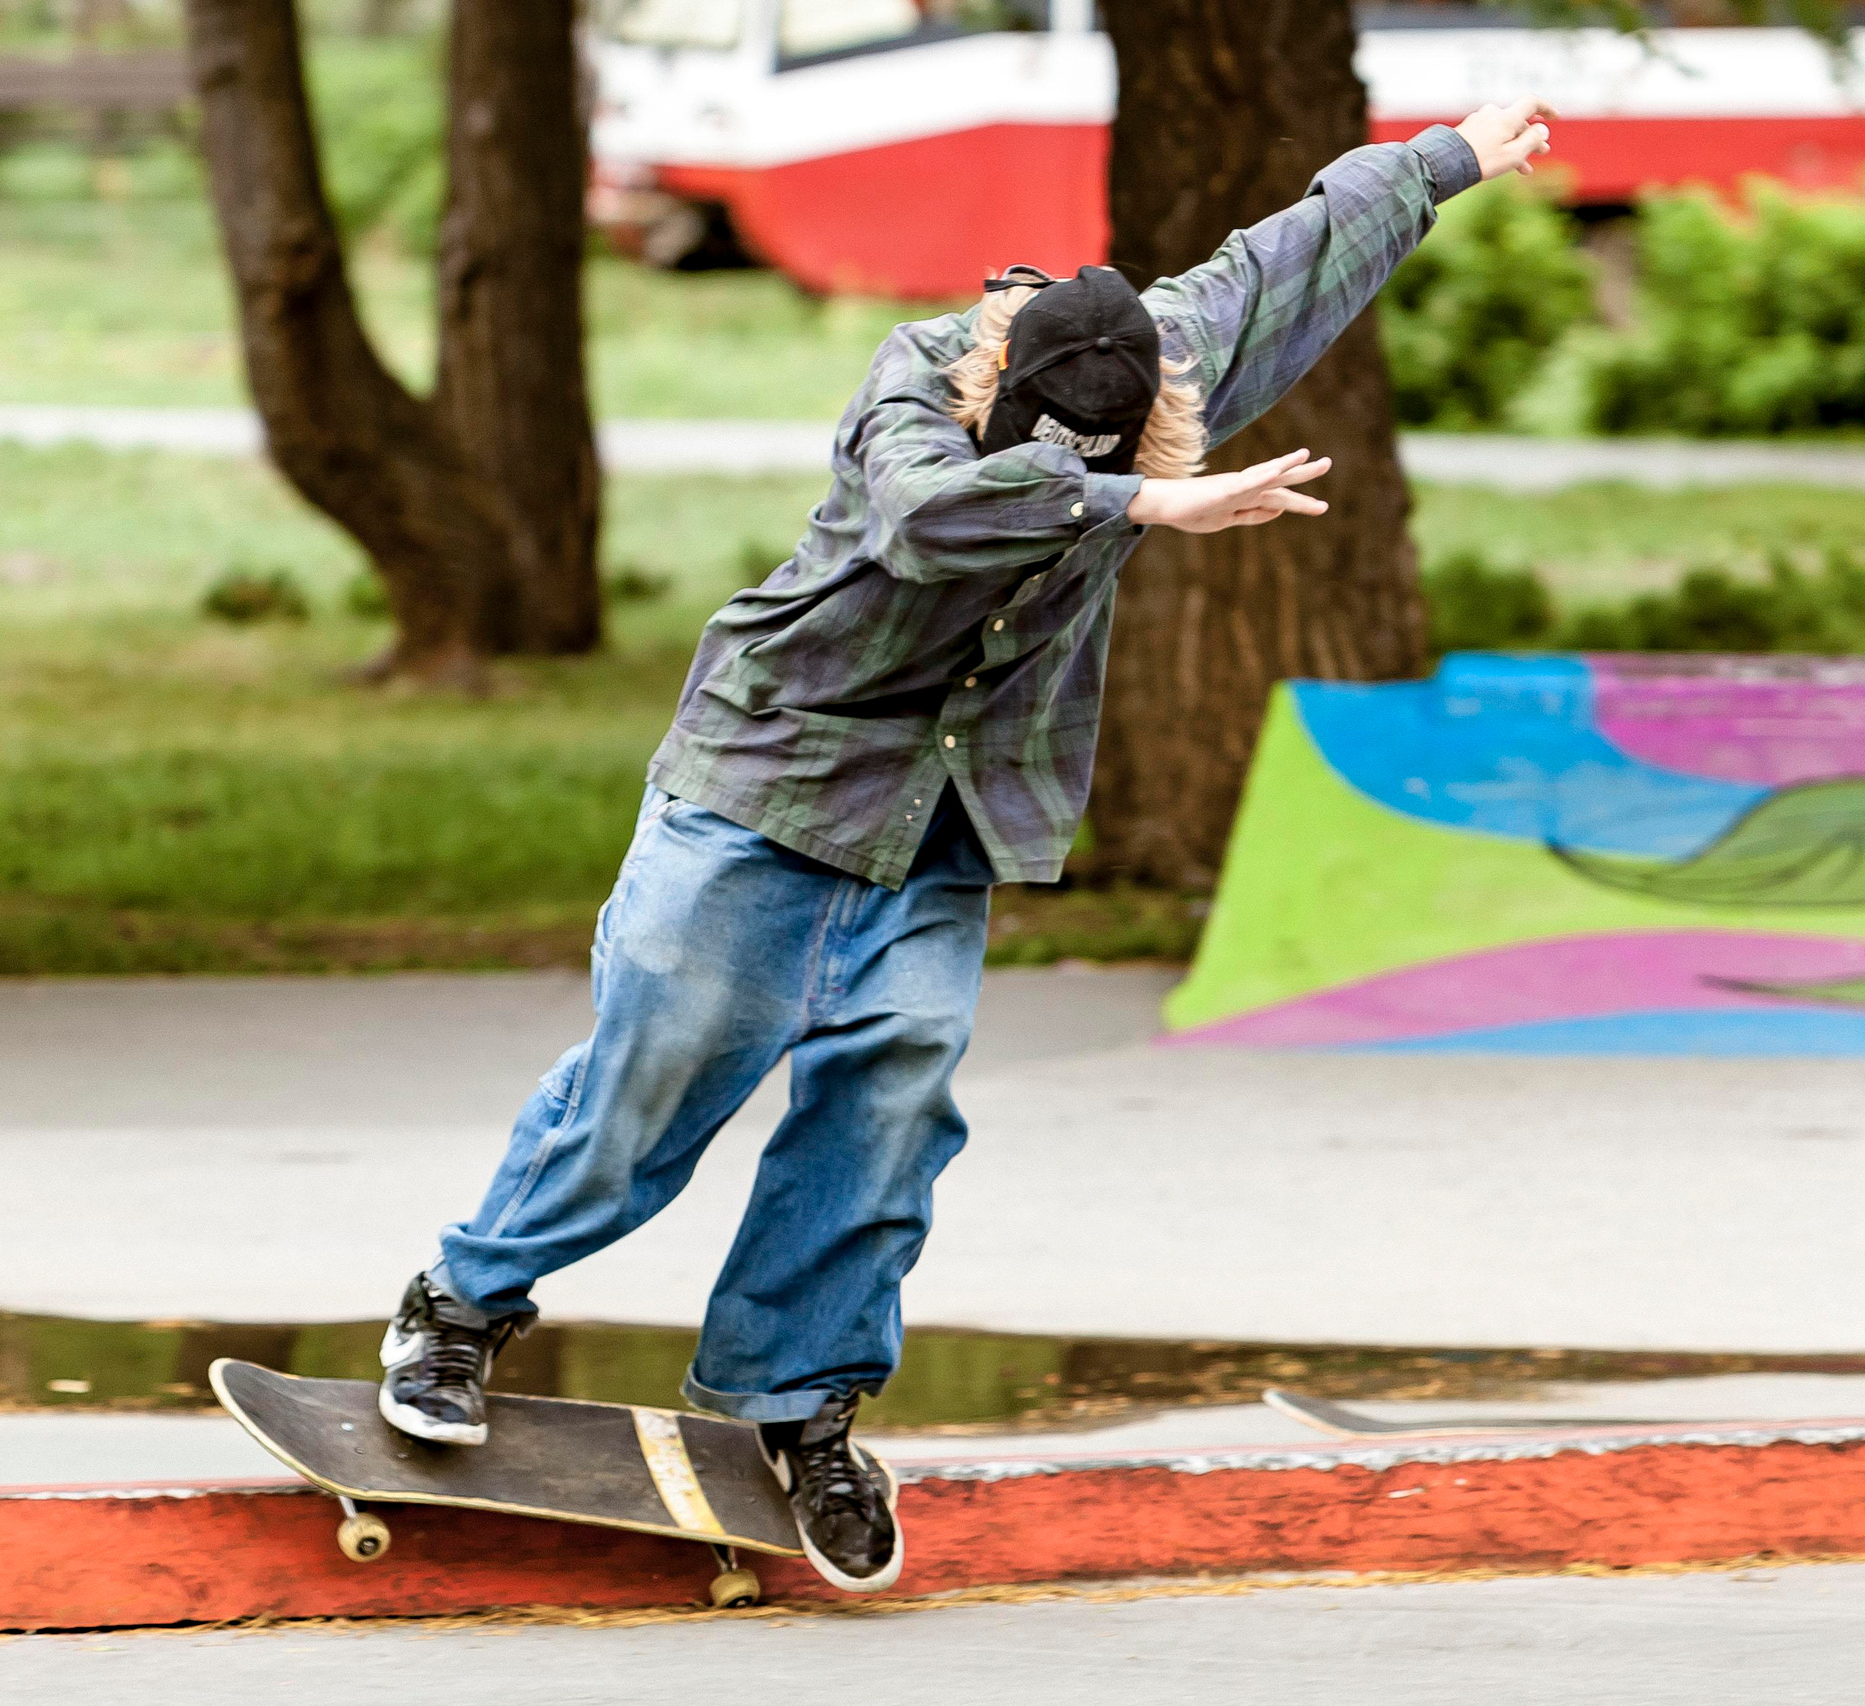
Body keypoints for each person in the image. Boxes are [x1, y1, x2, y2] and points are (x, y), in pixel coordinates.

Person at [377, 98, 1559, 1593]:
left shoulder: (1167, 346)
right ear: (997, 380)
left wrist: (1452, 158)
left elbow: (1294, 249)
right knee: (664, 1059)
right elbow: (932, 522)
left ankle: (789, 1402)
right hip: (770, 776)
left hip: (944, 812)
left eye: (1117, 454)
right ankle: (463, 1305)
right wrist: (1143, 498)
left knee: (891, 1096)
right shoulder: (919, 385)